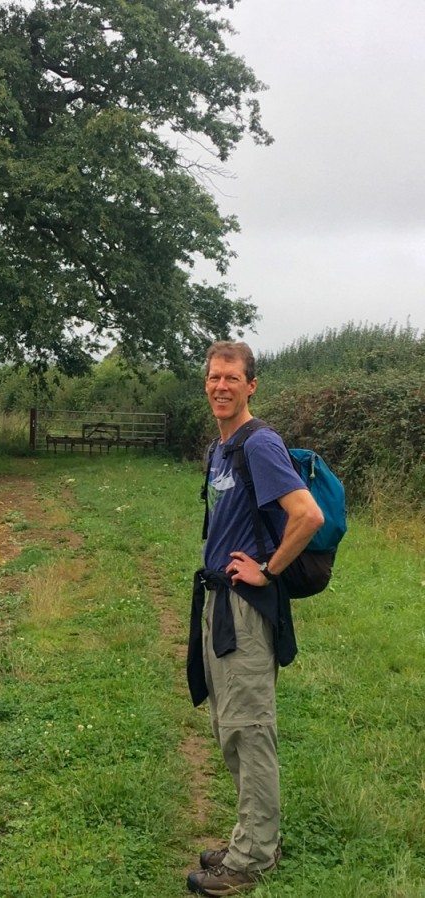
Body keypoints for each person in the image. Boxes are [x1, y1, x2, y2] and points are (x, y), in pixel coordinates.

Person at [185, 340, 324, 897]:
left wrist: (267, 569)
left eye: (231, 378)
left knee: (249, 727)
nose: (221, 386)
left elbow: (306, 514)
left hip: (245, 607)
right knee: (228, 725)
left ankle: (253, 857)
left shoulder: (260, 443)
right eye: (213, 377)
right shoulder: (222, 448)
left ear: (251, 385)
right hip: (219, 600)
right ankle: (251, 835)